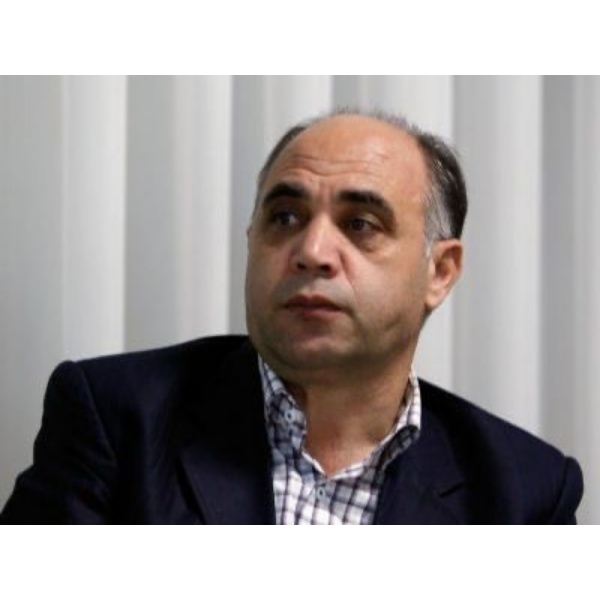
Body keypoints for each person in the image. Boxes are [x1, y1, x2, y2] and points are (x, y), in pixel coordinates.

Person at [0, 109, 583, 524]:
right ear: (251, 240)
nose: (311, 250)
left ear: (440, 271)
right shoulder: (115, 419)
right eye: (284, 218)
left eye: (360, 224)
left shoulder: (524, 493)